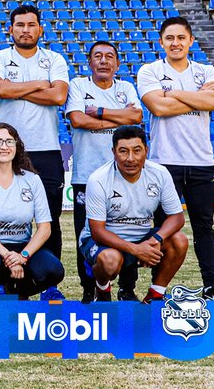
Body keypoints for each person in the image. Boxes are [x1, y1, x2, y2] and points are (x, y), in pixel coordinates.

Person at [137, 16, 214, 305]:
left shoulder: (206, 71)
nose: (176, 43)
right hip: (164, 162)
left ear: (191, 41)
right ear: (161, 42)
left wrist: (172, 94)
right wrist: (195, 97)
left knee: (204, 226)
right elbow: (158, 107)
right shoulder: (150, 70)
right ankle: (158, 288)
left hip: (201, 161)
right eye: (170, 38)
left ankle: (211, 285)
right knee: (164, 227)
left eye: (181, 38)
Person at [0, 4, 69, 301]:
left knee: (50, 220)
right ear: (11, 29)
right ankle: (5, 279)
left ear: (40, 29)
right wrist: (38, 85)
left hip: (45, 149)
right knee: (2, 216)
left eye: (31, 25)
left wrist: (15, 87)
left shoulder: (54, 58)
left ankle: (48, 284)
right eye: (19, 25)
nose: (25, 30)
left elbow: (58, 95)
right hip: (7, 150)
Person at [65, 41, 143, 302]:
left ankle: (127, 288)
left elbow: (136, 118)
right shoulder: (79, 85)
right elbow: (78, 120)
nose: (103, 60)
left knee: (130, 230)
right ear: (89, 62)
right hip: (86, 176)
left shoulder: (126, 88)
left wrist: (98, 114)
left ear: (117, 63)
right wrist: (119, 118)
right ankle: (90, 288)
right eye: (97, 56)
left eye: (110, 56)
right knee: (85, 234)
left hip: (125, 176)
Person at [79, 125, 189, 303]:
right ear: (113, 152)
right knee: (110, 260)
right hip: (105, 242)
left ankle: (155, 296)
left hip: (143, 239)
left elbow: (177, 217)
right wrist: (137, 250)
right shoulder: (98, 179)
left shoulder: (160, 173)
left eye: (137, 151)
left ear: (146, 150)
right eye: (123, 151)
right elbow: (97, 231)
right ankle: (102, 290)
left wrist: (154, 241)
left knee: (180, 240)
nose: (130, 158)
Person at [0, 124, 64, 299]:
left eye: (10, 141)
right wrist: (7, 256)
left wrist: (23, 256)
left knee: (53, 270)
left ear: (17, 147)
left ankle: (15, 291)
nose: (4, 146)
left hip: (22, 247)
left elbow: (45, 228)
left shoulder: (32, 180)